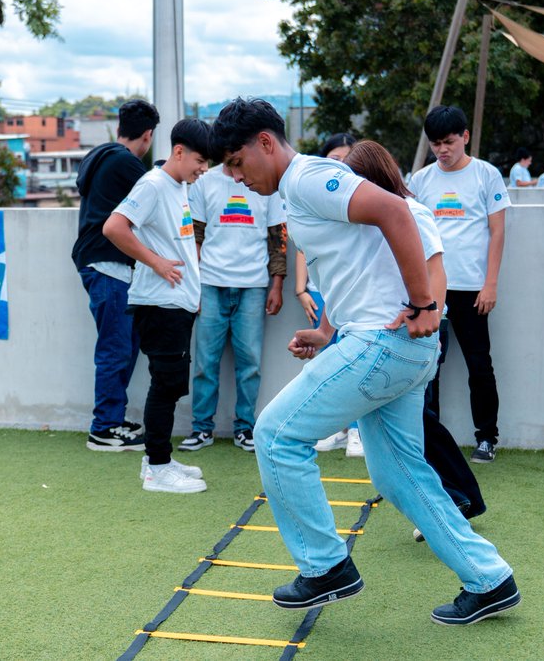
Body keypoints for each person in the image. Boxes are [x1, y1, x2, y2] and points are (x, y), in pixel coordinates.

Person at [213, 98, 518, 625]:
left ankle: (326, 566)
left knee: (276, 434)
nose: (237, 177)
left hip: (382, 343)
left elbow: (395, 211)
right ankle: (489, 579)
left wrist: (425, 304)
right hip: (388, 344)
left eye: (238, 163)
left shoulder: (306, 178)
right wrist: (325, 331)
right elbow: (355, 263)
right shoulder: (298, 191)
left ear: (265, 142)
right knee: (397, 472)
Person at [344, 140, 487, 522]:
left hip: (417, 334)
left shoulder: (412, 212)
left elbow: (436, 271)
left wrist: (430, 324)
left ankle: (458, 496)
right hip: (388, 335)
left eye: (357, 180)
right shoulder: (371, 217)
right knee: (414, 422)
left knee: (419, 422)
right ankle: (455, 497)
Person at [102, 119, 213, 494]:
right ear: (178, 151)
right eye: (200, 160)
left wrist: (192, 291)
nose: (204, 169)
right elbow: (114, 227)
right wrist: (156, 263)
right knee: (165, 386)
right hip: (159, 303)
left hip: (177, 303)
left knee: (171, 384)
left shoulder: (179, 185)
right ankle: (157, 469)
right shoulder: (152, 184)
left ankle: (157, 458)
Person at [408, 105, 509, 463]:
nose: (442, 150)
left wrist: (490, 283)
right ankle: (427, 439)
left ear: (465, 137)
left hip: (473, 289)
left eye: (448, 142)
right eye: (435, 144)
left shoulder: (486, 175)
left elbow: (498, 232)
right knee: (428, 367)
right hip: (431, 290)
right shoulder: (420, 180)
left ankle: (487, 438)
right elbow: (410, 235)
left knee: (479, 365)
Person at [180, 161, 287, 453]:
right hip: (210, 284)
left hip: (253, 285)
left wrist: (277, 284)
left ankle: (245, 428)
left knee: (250, 363)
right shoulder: (205, 182)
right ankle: (202, 429)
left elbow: (278, 237)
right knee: (205, 363)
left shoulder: (266, 184)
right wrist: (195, 285)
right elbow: (195, 237)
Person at [71, 99, 158, 452]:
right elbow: (159, 193)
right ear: (148, 135)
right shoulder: (125, 163)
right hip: (108, 266)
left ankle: (113, 420)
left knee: (125, 345)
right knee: (116, 348)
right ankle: (104, 428)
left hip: (102, 264)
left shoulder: (101, 156)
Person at [305, 133, 364, 456]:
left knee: (354, 362)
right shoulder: (312, 197)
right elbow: (301, 247)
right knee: (328, 362)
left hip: (353, 293)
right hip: (321, 293)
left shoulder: (360, 198)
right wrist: (300, 289)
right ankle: (336, 428)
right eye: (334, 159)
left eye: (346, 159)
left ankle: (356, 430)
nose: (340, 165)